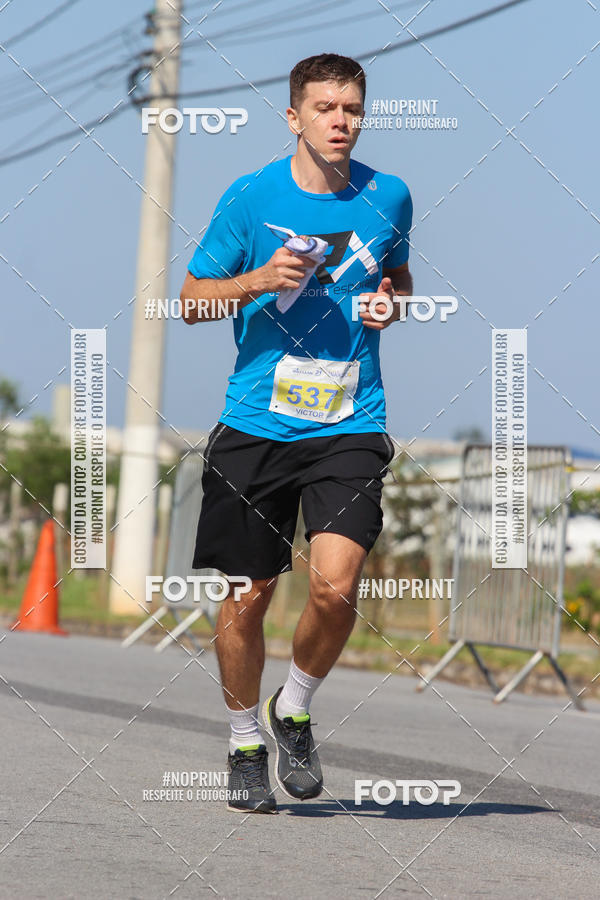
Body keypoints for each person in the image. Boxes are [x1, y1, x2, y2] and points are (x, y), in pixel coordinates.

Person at [180, 52, 413, 813]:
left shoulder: (390, 196)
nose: (340, 122)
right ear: (294, 117)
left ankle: (296, 707)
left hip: (350, 419)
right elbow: (189, 300)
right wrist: (255, 280)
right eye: (324, 109)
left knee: (336, 584)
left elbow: (397, 276)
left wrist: (392, 302)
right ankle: (246, 738)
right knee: (249, 598)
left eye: (351, 109)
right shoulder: (250, 199)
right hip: (256, 424)